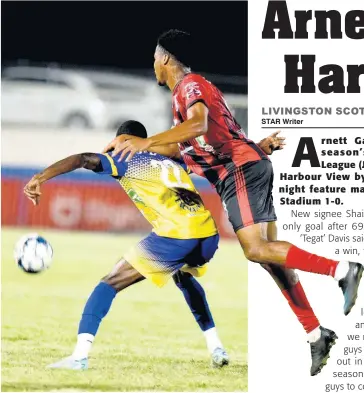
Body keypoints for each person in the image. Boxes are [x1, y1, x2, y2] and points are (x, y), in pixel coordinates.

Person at [104, 30, 364, 376]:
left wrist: (146, 140)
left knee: (256, 249)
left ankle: (343, 270)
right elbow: (189, 145)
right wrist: (140, 145)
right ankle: (316, 334)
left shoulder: (188, 86)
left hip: (240, 173)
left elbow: (199, 125)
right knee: (272, 259)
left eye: (154, 58)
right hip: (246, 165)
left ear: (165, 58)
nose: (153, 65)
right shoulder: (183, 99)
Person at [23, 120, 229, 370]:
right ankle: (216, 346)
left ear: (124, 139)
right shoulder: (170, 157)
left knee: (109, 283)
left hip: (178, 235)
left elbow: (82, 159)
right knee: (183, 278)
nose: (112, 146)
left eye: (116, 141)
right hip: (208, 234)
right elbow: (214, 159)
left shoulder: (127, 155)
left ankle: (79, 357)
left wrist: (40, 178)